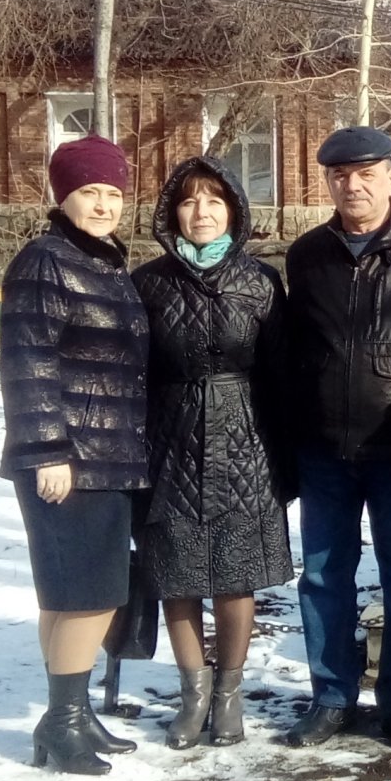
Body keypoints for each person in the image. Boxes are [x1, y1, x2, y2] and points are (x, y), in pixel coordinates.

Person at [283, 127, 391, 749]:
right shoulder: (307, 254)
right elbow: (295, 350)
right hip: (324, 447)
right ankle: (330, 696)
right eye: (339, 175)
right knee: (324, 575)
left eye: (366, 173)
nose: (352, 185)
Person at [0, 135, 149, 774]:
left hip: (109, 454)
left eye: (113, 193)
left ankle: (74, 712)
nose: (103, 204)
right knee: (89, 593)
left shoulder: (104, 262)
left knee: (68, 594)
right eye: (90, 191)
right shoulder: (45, 260)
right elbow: (27, 363)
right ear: (64, 195)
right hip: (72, 458)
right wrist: (49, 452)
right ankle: (61, 723)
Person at [134, 158, 293, 749]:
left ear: (233, 212)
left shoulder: (260, 282)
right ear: (171, 213)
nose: (200, 213)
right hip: (169, 438)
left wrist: (285, 458)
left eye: (214, 202)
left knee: (234, 573)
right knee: (176, 574)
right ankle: (192, 692)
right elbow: (136, 376)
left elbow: (280, 375)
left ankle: (228, 696)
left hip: (244, 436)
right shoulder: (147, 282)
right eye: (188, 202)